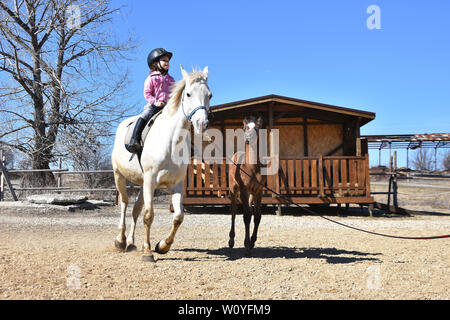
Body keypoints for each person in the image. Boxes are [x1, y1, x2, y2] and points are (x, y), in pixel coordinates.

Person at [125, 48, 175, 154]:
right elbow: (147, 93)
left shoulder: (171, 79)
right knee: (145, 115)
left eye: (168, 61)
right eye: (164, 60)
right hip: (155, 106)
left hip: (169, 106)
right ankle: (134, 139)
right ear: (156, 63)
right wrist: (155, 102)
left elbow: (175, 93)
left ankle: (185, 142)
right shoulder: (151, 78)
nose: (167, 63)